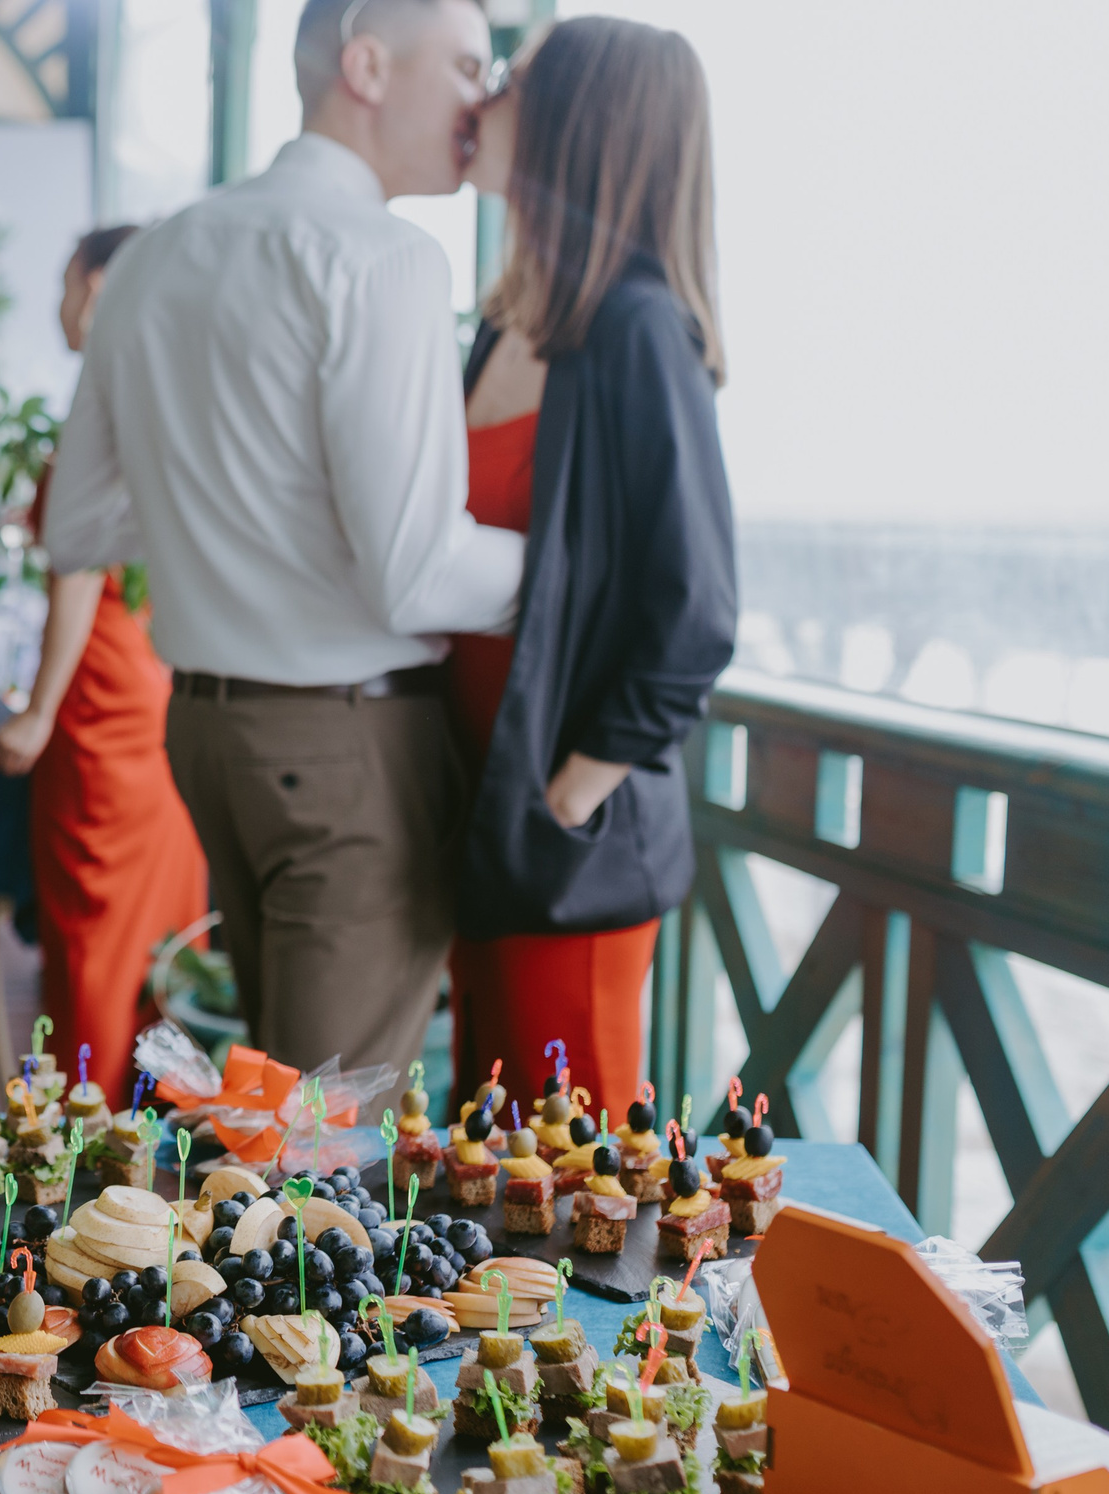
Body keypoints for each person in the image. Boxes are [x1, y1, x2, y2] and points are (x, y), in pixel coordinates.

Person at [45, 0, 523, 1074]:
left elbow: (73, 523)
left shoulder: (157, 255)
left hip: (210, 741)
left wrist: (221, 496)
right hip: (346, 751)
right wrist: (586, 572)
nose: (479, 98)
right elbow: (417, 573)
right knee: (317, 1150)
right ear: (363, 63)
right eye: (461, 64)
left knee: (276, 1116)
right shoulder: (385, 258)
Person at [445, 17, 737, 1114]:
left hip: (563, 854)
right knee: (491, 1178)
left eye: (512, 79)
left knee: (570, 1204)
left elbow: (697, 612)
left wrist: (561, 802)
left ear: (580, 123)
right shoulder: (509, 327)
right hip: (482, 833)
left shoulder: (637, 328)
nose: (483, 96)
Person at [0, 225, 206, 1106]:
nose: (58, 306)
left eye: (64, 283)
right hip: (157, 693)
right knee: (158, 943)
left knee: (95, 944)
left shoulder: (108, 392)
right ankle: (151, 1141)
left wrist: (38, 712)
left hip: (99, 703)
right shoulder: (181, 394)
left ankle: (91, 1135)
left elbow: (77, 567)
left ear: (101, 283)